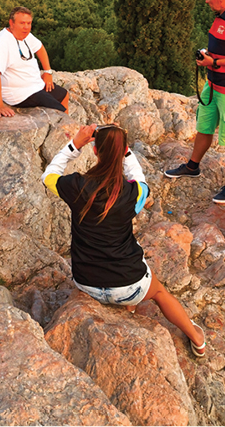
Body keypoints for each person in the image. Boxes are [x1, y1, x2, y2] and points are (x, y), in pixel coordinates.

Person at [43, 124, 206, 358]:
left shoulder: (76, 186)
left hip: (86, 282)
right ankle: (197, 339)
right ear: (122, 152)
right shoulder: (134, 194)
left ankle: (126, 307)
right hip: (130, 286)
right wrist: (126, 153)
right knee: (160, 293)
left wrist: (75, 144)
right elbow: (141, 181)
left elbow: (48, 176)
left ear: (95, 151)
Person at [164, 0, 225, 204]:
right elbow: (223, 49)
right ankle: (192, 166)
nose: (205, 0)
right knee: (204, 126)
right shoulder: (220, 18)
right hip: (213, 85)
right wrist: (208, 56)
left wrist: (213, 63)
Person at [0, 6, 68, 116]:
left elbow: (40, 48)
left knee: (63, 95)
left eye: (29, 23)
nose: (26, 27)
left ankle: (68, 129)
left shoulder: (25, 35)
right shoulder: (2, 42)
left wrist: (47, 72)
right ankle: (68, 131)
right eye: (22, 23)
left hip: (35, 85)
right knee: (60, 112)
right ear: (11, 23)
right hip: (20, 93)